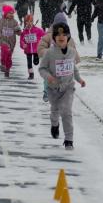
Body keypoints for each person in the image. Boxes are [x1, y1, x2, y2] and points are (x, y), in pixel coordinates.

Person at [38, 21, 85, 150]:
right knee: (55, 110)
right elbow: (42, 69)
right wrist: (49, 77)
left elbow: (73, 68)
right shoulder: (49, 53)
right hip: (53, 89)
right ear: (54, 37)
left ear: (68, 37)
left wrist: (79, 79)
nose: (61, 36)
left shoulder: (72, 52)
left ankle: (69, 139)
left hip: (68, 87)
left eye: (64, 34)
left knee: (66, 111)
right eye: (58, 34)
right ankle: (54, 124)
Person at [0, 4, 21, 78]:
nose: (11, 14)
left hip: (11, 42)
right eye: (9, 13)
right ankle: (3, 64)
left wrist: (18, 31)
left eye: (12, 13)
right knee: (4, 50)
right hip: (3, 40)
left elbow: (18, 32)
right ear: (5, 13)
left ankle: (7, 69)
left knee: (9, 56)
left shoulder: (14, 22)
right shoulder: (1, 21)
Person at [20, 14, 45, 80]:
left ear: (33, 22)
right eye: (27, 21)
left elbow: (45, 35)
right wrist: (23, 45)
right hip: (28, 50)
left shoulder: (37, 30)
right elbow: (21, 41)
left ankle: (36, 58)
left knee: (36, 62)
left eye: (31, 21)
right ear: (25, 23)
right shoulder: (24, 32)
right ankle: (31, 74)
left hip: (36, 49)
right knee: (29, 62)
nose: (29, 23)